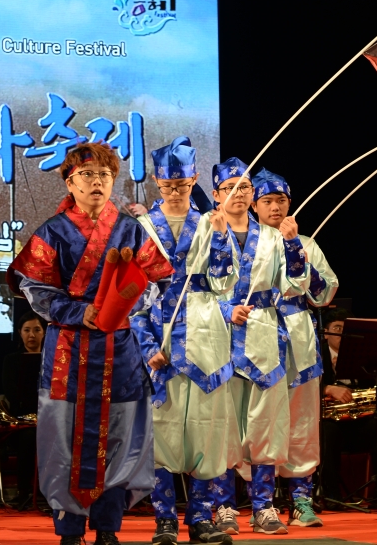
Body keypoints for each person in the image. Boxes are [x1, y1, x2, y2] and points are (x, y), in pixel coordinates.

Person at [8, 142, 174, 545]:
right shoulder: (53, 231)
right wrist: (75, 311)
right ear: (70, 182)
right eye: (87, 175)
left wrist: (129, 303)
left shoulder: (132, 229)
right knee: (62, 438)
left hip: (120, 349)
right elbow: (33, 286)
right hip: (69, 349)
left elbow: (159, 279)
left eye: (104, 175)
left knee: (121, 435)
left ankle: (106, 528)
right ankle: (68, 528)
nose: (96, 182)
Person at [129, 137, 236, 545]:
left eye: (183, 184)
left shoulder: (210, 223)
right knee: (163, 433)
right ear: (157, 182)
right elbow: (132, 296)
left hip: (205, 334)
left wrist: (224, 238)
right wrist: (144, 345)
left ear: (194, 179)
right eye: (168, 185)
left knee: (205, 432)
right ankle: (164, 521)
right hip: (160, 336)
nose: (175, 191)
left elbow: (226, 282)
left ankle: (202, 518)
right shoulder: (141, 229)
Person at [206, 158, 308, 536]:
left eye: (244, 187)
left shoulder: (272, 237)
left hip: (264, 335)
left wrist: (294, 244)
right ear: (217, 195)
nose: (238, 194)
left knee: (266, 427)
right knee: (223, 428)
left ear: (252, 195)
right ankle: (224, 507)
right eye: (230, 187)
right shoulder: (207, 231)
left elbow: (295, 284)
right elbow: (194, 287)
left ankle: (264, 506)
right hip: (219, 338)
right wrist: (224, 308)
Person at [248, 169, 337, 528]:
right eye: (267, 201)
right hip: (259, 338)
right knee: (263, 422)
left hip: (299, 340)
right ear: (254, 205)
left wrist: (297, 246)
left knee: (303, 423)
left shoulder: (308, 243)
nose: (275, 207)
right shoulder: (246, 241)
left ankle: (301, 500)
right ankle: (262, 503)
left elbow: (326, 292)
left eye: (281, 200)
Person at [318, 308, 377, 502]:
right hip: (329, 419)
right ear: (326, 334)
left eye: (346, 329)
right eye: (337, 328)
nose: (342, 333)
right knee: (327, 431)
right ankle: (331, 495)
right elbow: (299, 384)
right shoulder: (316, 354)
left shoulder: (363, 353)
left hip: (358, 417)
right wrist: (327, 388)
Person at [0, 312, 45, 508]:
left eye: (37, 330)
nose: (32, 335)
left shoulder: (53, 360)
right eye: (27, 330)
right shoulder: (11, 360)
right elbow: (10, 392)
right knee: (28, 437)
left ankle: (51, 493)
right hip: (22, 420)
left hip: (50, 417)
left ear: (44, 333)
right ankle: (23, 491)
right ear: (20, 333)